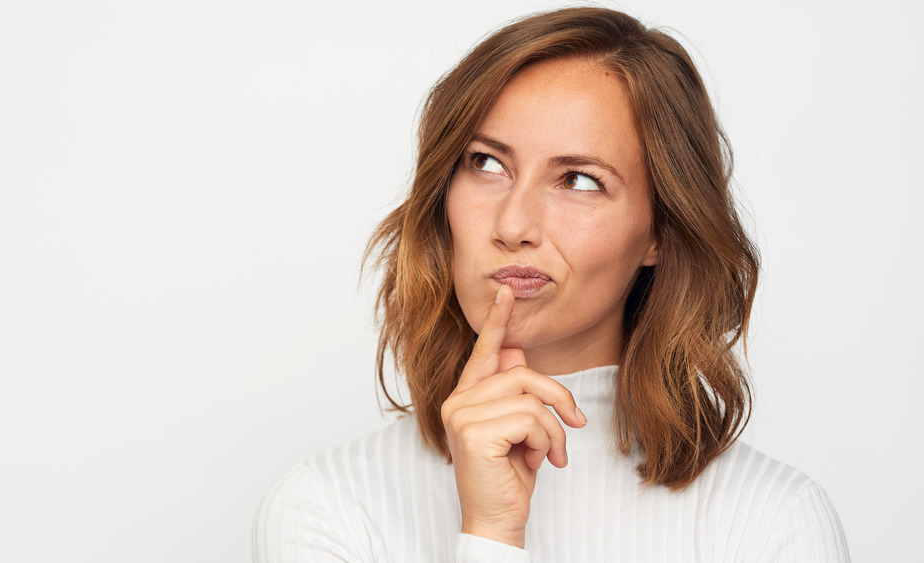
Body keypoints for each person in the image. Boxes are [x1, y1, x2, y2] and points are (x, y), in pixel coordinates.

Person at [254, 7, 850, 561]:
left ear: (659, 232)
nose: (513, 226)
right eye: (486, 163)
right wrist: (490, 533)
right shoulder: (328, 507)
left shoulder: (773, 521)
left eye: (580, 181)